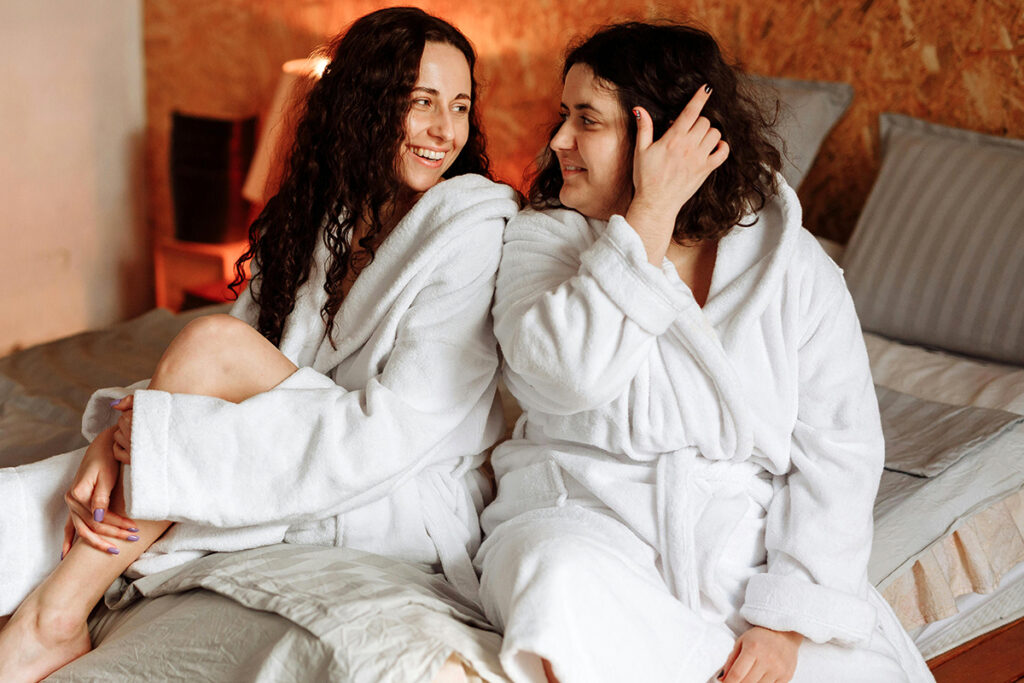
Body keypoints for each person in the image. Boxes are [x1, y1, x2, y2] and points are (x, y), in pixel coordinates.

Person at [0, 7, 518, 681]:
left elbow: (391, 433)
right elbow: (202, 379)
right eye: (421, 102)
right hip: (300, 432)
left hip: (397, 483)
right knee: (47, 489)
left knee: (210, 341)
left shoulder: (470, 231)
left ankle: (54, 618)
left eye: (459, 106)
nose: (444, 130)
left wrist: (162, 438)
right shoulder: (324, 218)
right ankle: (53, 610)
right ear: (366, 104)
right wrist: (127, 435)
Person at [475, 21, 933, 683]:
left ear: (658, 135)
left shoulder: (790, 268)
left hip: (732, 549)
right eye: (563, 117)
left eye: (587, 121)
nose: (558, 142)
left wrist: (780, 626)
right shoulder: (543, 241)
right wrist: (650, 211)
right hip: (580, 514)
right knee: (555, 586)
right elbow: (567, 378)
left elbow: (841, 454)